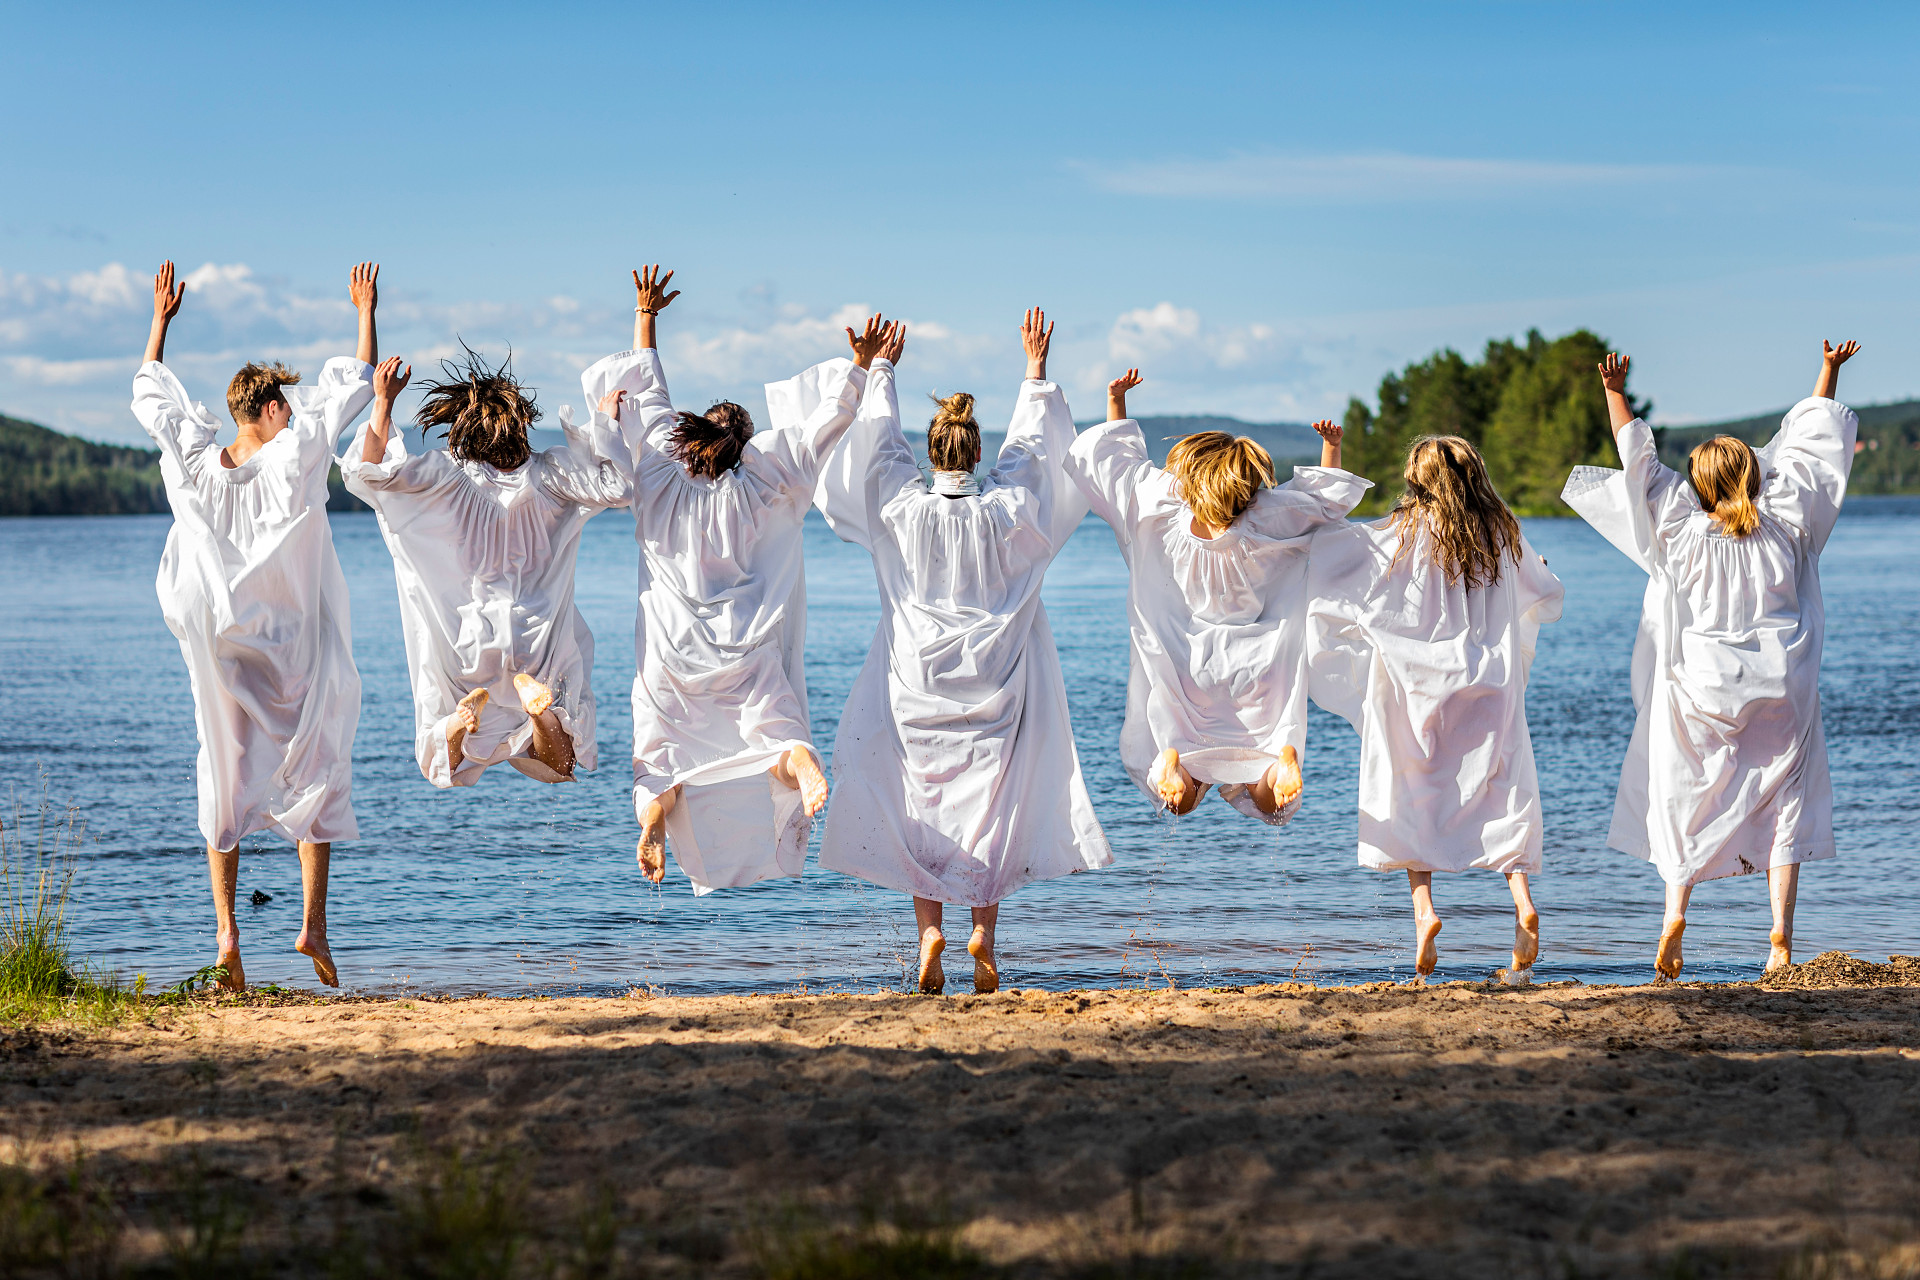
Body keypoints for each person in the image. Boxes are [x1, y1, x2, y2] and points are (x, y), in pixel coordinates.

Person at [815, 310, 1113, 995]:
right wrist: (1034, 371)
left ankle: (930, 935)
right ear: (976, 454)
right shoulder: (1007, 511)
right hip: (995, 683)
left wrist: (879, 369)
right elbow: (1035, 457)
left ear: (933, 453)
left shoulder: (902, 510)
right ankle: (983, 931)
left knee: (921, 800)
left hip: (916, 682)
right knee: (991, 802)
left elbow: (877, 446)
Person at [582, 266, 886, 893]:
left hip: (671, 652)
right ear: (746, 445)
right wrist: (860, 367)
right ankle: (799, 760)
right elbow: (826, 427)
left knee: (659, 750)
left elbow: (649, 390)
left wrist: (646, 315)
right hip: (746, 646)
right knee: (775, 725)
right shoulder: (770, 480)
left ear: (690, 433)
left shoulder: (656, 474)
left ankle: (655, 819)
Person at [1563, 343, 1860, 979]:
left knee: (1682, 796)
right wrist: (1829, 370)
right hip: (1781, 687)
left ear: (1697, 486)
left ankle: (1676, 912)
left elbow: (1637, 461)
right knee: (1788, 801)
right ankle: (1779, 935)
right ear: (1757, 478)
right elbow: (1811, 444)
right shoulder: (1790, 525)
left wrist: (1615, 390)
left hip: (1701, 690)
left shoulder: (1677, 525)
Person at [131, 260, 381, 990]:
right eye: (287, 405)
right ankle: (312, 924)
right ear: (270, 410)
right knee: (317, 761)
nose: (295, 416)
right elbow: (355, 381)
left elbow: (151, 394)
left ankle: (227, 933)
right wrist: (364, 309)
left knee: (223, 769)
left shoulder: (193, 462)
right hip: (291, 647)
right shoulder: (294, 458)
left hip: (221, 649)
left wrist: (161, 322)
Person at [1307, 435, 1563, 981]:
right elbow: (1543, 591)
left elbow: (1328, 550)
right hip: (1488, 686)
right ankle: (1521, 902)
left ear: (1416, 479)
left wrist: (1331, 457)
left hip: (1415, 687)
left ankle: (1424, 913)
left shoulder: (1400, 535)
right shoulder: (1502, 531)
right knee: (1504, 790)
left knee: (1412, 795)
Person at [1065, 369, 1369, 824]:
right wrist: (1332, 447)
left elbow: (1117, 466)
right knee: (1271, 797)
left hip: (1185, 666)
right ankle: (1282, 759)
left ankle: (1174, 758)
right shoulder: (1268, 516)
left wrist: (1117, 402)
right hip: (1259, 667)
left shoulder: (1163, 508)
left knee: (1179, 797)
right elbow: (1324, 499)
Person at [340, 343, 631, 791]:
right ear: (523, 425)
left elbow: (367, 473)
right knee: (562, 761)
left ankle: (459, 722)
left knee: (445, 764)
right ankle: (542, 713)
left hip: (465, 645)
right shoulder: (552, 474)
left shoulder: (445, 476)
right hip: (538, 642)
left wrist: (383, 401)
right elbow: (617, 485)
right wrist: (606, 422)